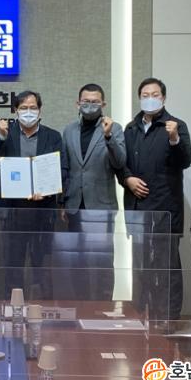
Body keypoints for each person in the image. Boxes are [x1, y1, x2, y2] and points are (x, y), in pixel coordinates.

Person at [120, 77, 191, 323]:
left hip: (165, 208)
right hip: (137, 207)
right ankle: (142, 314)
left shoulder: (176, 126)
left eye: (155, 94)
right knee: (140, 266)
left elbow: (185, 161)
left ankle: (168, 317)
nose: (149, 98)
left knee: (167, 266)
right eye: (145, 95)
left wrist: (174, 139)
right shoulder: (131, 128)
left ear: (163, 98)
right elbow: (121, 163)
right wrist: (128, 179)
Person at [0, 90, 68, 299]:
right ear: (15, 110)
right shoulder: (7, 133)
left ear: (40, 110)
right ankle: (11, 305)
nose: (28, 112)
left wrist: (47, 190)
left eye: (33, 107)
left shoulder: (53, 136)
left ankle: (41, 306)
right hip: (12, 210)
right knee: (11, 261)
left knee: (41, 263)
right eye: (23, 108)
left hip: (42, 209)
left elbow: (61, 169)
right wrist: (1, 138)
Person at [61, 83, 126, 300]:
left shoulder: (114, 128)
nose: (90, 105)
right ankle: (81, 303)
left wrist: (108, 137)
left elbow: (120, 162)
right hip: (74, 205)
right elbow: (66, 168)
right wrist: (62, 202)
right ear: (77, 104)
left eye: (95, 102)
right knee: (76, 259)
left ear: (103, 104)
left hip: (101, 206)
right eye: (86, 101)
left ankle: (103, 305)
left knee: (102, 259)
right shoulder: (69, 130)